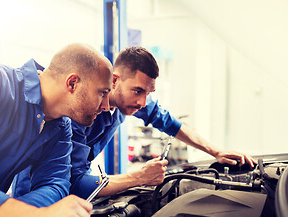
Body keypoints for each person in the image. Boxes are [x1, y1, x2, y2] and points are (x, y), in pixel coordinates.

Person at [13, 46, 256, 200]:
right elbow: (75, 183)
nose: (143, 102)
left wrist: (215, 151)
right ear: (115, 81)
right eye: (138, 91)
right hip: (36, 196)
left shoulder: (128, 102)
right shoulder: (75, 114)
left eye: (148, 93)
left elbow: (171, 124)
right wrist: (138, 177)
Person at [0, 43, 113, 217]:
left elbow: (55, 184)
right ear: (72, 83)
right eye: (103, 93)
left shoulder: (60, 127)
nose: (107, 106)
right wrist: (22, 216)